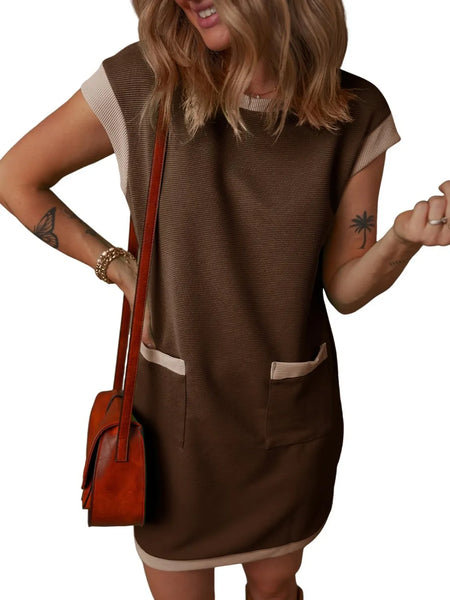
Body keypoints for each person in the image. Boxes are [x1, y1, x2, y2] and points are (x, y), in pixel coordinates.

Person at [0, 1, 449, 599]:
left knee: (276, 588)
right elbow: (15, 177)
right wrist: (118, 267)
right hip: (174, 430)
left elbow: (343, 290)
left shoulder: (355, 111)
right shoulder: (141, 81)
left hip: (288, 424)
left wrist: (401, 240)